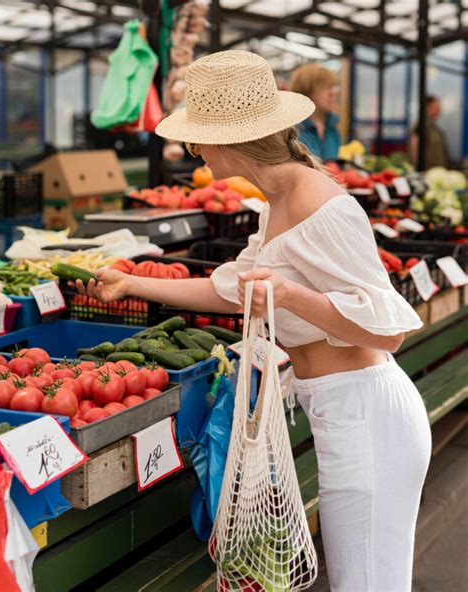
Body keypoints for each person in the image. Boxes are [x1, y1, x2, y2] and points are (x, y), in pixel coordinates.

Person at [74, 51, 431, 591]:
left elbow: (389, 329)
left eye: (197, 141)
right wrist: (132, 283)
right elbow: (230, 287)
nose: (193, 152)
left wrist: (287, 296)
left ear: (229, 141)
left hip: (368, 416)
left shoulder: (323, 206)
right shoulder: (280, 199)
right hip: (342, 411)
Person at [289, 63, 341, 160]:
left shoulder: (333, 128)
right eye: (326, 88)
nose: (333, 93)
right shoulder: (292, 131)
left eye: (333, 87)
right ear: (306, 91)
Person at [410, 95, 449, 169]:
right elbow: (415, 144)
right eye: (437, 107)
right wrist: (417, 168)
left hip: (437, 171)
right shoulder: (421, 124)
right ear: (427, 107)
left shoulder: (433, 126)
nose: (439, 110)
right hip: (427, 172)